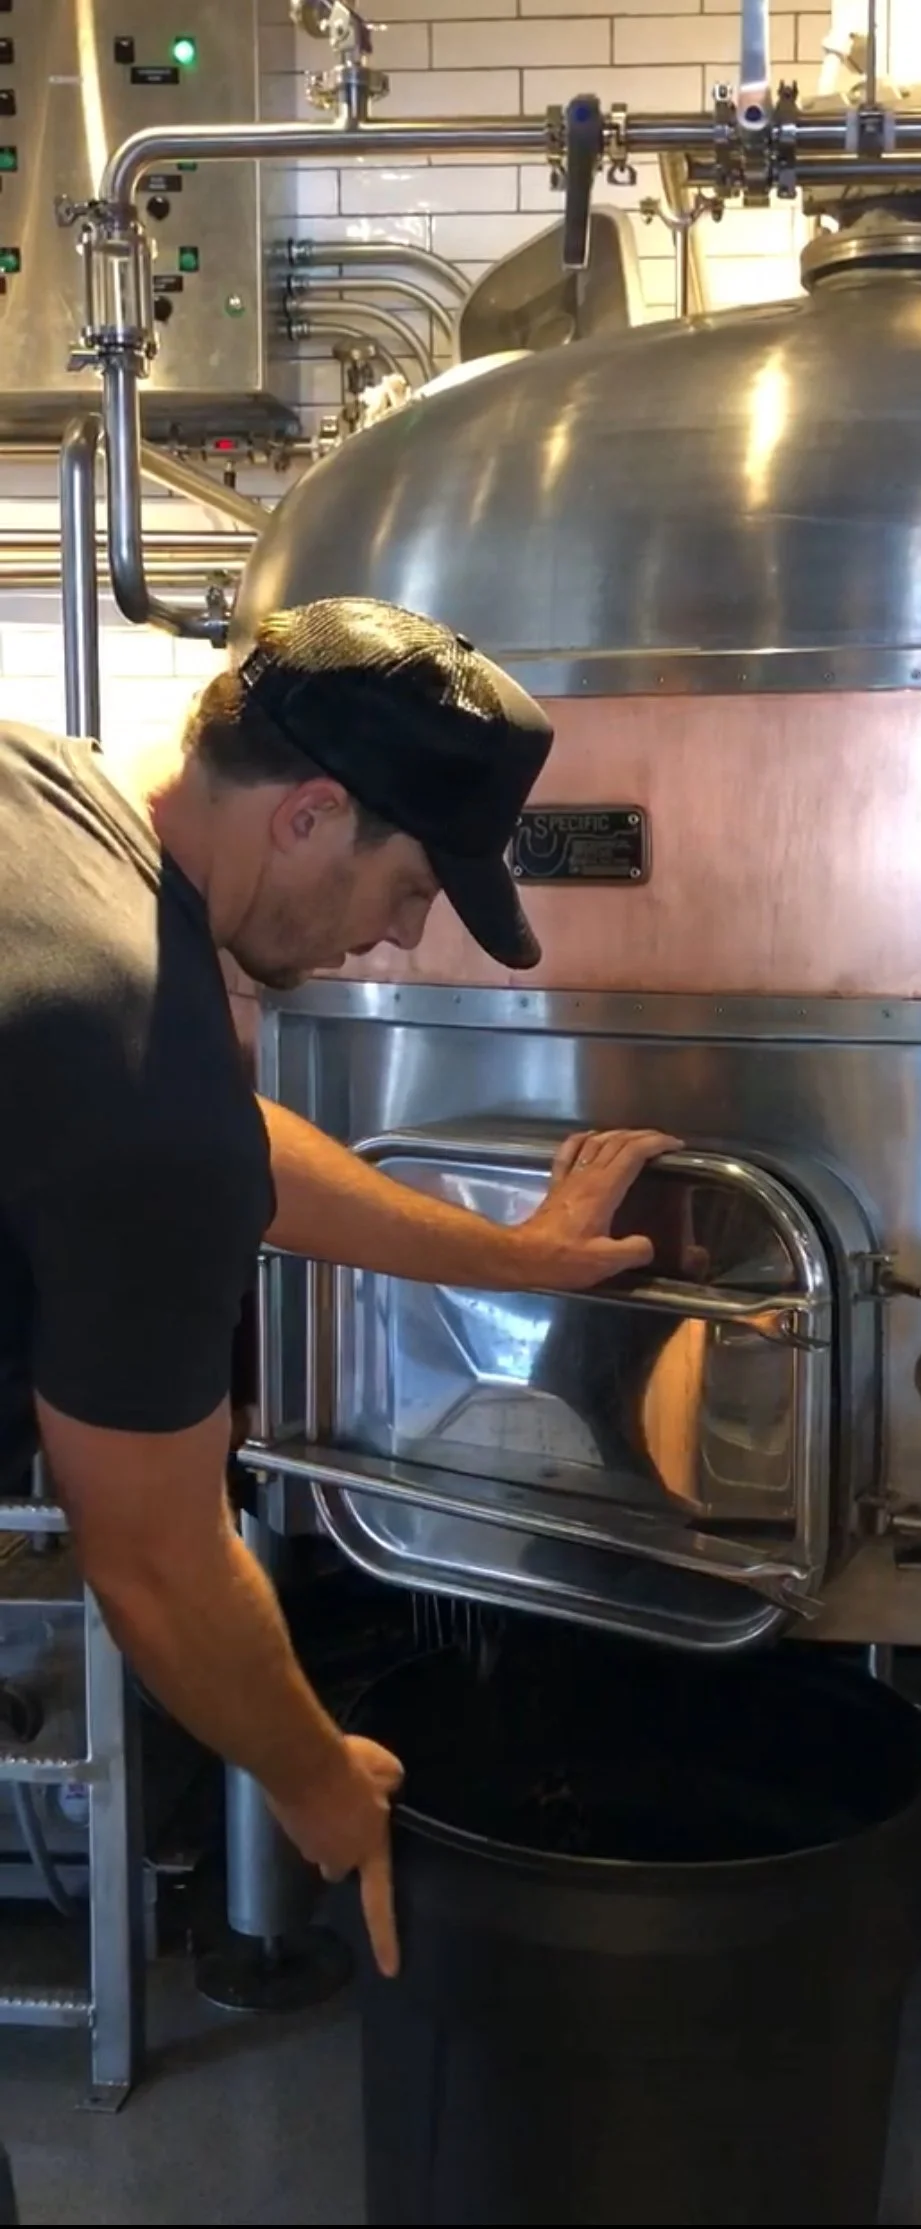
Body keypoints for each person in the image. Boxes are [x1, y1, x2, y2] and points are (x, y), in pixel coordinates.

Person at [0, 596, 679, 1983]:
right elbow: (159, 1561)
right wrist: (317, 1780)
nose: (396, 939)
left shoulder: (40, 790)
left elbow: (218, 1143)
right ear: (310, 815)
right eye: (413, 889)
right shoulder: (138, 1064)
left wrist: (513, 1254)